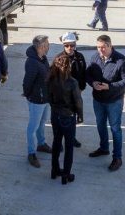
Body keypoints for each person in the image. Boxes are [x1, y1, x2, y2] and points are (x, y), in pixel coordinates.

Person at [86, 34, 125, 172]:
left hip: (114, 101)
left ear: (110, 46)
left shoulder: (121, 61)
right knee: (100, 125)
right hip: (98, 100)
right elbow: (88, 74)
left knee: (115, 128)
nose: (100, 50)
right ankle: (104, 148)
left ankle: (117, 157)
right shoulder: (95, 57)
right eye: (98, 47)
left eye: (103, 48)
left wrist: (109, 87)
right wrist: (92, 82)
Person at [47, 54, 83, 185]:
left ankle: (54, 170)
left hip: (55, 115)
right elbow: (78, 101)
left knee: (56, 142)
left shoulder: (51, 79)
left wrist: (55, 108)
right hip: (68, 116)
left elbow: (49, 98)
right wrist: (80, 115)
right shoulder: (72, 82)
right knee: (69, 146)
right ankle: (66, 174)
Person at [23, 35, 52, 168]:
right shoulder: (32, 62)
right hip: (37, 100)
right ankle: (31, 153)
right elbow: (27, 82)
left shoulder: (43, 58)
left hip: (45, 98)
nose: (49, 46)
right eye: (47, 45)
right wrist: (30, 96)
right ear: (41, 47)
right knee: (33, 127)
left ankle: (41, 144)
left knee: (43, 122)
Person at [58, 31, 86, 147]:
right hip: (63, 96)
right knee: (61, 119)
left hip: (76, 94)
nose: (69, 48)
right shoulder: (59, 59)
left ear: (75, 44)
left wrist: (81, 88)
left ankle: (72, 138)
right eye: (67, 45)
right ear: (63, 45)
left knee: (73, 117)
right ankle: (58, 142)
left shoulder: (80, 57)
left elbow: (84, 73)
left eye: (72, 45)